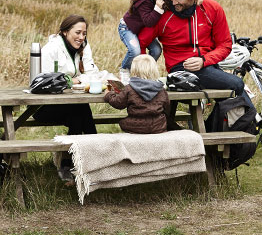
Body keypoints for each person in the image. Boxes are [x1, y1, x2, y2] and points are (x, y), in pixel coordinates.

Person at [138, 0, 256, 111]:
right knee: (236, 84)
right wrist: (143, 73)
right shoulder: (163, 13)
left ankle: (222, 129)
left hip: (208, 65)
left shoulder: (212, 9)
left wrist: (204, 60)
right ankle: (241, 127)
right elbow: (142, 42)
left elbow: (225, 44)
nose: (174, 1)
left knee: (235, 93)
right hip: (180, 69)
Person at [34, 15, 98, 184]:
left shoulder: (83, 46)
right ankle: (95, 155)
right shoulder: (51, 49)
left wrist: (83, 79)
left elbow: (91, 72)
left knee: (79, 110)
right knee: (80, 109)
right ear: (64, 32)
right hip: (43, 107)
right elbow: (45, 80)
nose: (81, 37)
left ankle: (69, 163)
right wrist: (73, 80)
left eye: (84, 33)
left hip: (69, 105)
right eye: (77, 32)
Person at [117, 0, 167, 84]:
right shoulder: (143, 0)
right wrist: (158, 8)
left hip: (140, 29)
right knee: (135, 51)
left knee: (156, 50)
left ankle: (145, 71)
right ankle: (124, 70)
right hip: (127, 28)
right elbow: (148, 21)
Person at [104, 54, 170, 135]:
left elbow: (118, 103)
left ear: (134, 70)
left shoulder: (129, 88)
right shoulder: (161, 89)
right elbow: (167, 107)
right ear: (154, 70)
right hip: (158, 127)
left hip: (135, 126)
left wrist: (109, 94)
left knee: (122, 122)